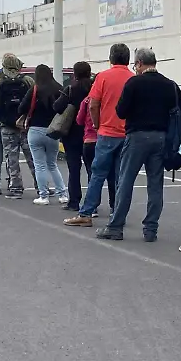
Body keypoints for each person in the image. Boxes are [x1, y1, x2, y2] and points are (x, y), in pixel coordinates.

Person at [95, 49, 179, 242]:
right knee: (155, 185)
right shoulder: (169, 85)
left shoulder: (134, 83)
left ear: (140, 63)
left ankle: (115, 227)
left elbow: (121, 111)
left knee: (125, 181)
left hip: (136, 137)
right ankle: (151, 230)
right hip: (160, 138)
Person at [65, 44, 134, 228]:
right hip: (126, 133)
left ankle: (86, 212)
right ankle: (117, 212)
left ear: (111, 58)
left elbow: (93, 104)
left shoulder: (103, 77)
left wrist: (97, 124)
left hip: (106, 131)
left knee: (97, 174)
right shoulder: (133, 78)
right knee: (120, 176)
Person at [21, 64, 68, 205]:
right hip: (52, 131)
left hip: (35, 130)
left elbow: (21, 108)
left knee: (39, 165)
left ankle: (43, 196)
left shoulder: (34, 89)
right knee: (52, 164)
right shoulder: (59, 88)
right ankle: (62, 194)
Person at [0, 55, 35, 199]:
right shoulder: (27, 80)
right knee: (32, 157)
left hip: (7, 124)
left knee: (11, 157)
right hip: (25, 124)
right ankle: (41, 186)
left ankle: (16, 187)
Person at [55, 62, 94, 211]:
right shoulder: (94, 88)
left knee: (74, 168)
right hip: (91, 132)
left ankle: (74, 201)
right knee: (92, 169)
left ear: (75, 74)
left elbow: (57, 107)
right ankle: (92, 202)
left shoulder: (71, 89)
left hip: (71, 133)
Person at [73, 95, 106, 215]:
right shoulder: (108, 99)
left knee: (93, 174)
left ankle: (93, 206)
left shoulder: (86, 100)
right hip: (106, 139)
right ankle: (114, 206)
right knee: (113, 175)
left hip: (89, 140)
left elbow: (79, 120)